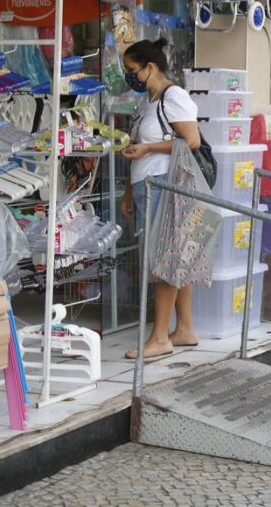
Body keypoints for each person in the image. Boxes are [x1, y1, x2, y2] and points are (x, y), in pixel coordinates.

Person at [120, 38, 202, 359]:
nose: (129, 76)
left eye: (131, 70)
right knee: (173, 256)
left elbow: (191, 140)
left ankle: (159, 338)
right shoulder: (150, 101)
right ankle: (184, 329)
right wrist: (129, 190)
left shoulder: (174, 96)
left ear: (149, 68)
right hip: (147, 185)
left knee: (163, 259)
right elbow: (139, 148)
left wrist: (148, 148)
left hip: (166, 185)